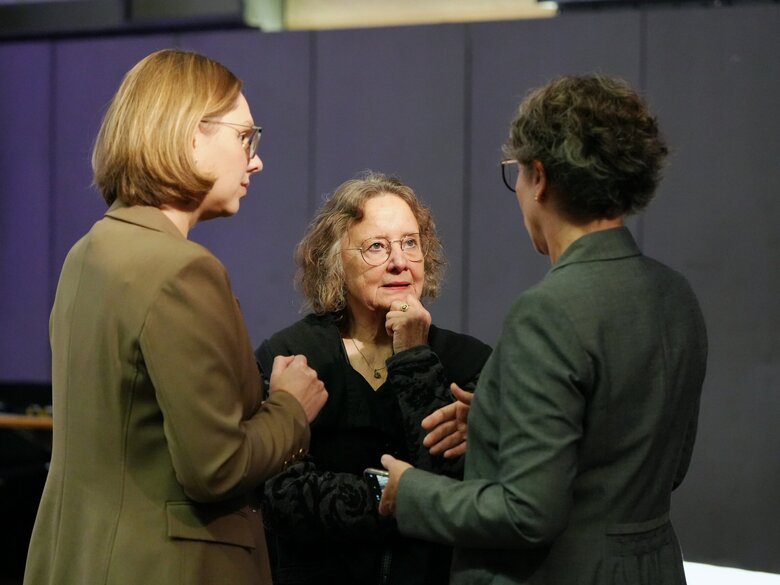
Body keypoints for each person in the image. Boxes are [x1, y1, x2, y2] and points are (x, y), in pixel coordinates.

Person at [380, 74, 708, 585]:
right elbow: (661, 463)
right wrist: (497, 421)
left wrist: (411, 491)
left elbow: (526, 513)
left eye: (516, 174)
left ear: (540, 176)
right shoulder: (676, 295)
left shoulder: (550, 310)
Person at [23, 49, 327, 585]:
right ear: (190, 134)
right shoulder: (182, 269)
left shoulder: (88, 252)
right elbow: (216, 468)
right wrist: (290, 409)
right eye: (244, 137)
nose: (256, 160)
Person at [255, 172, 492, 585]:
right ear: (334, 259)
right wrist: (400, 495)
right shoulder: (292, 357)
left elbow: (460, 489)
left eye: (410, 243)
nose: (399, 261)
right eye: (377, 247)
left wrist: (416, 356)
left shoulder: (468, 361)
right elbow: (282, 499)